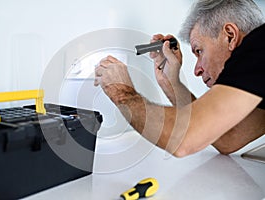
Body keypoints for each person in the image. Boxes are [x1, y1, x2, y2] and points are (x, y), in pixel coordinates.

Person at [94, 0, 265, 157]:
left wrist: (122, 92)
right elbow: (229, 138)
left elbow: (185, 139)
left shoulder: (260, 46)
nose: (197, 70)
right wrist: (171, 82)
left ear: (230, 35)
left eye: (199, 51)